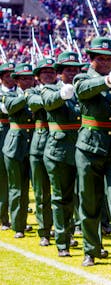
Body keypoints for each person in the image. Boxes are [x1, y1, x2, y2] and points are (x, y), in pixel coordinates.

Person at [73, 36, 111, 269]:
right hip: (89, 147)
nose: (106, 62)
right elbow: (83, 90)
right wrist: (106, 81)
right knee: (90, 202)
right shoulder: (82, 77)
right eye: (101, 59)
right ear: (91, 60)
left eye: (110, 59)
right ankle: (91, 249)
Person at [42, 51, 84, 257]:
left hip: (83, 148)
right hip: (59, 151)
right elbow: (49, 101)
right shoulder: (50, 88)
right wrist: (61, 94)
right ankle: (62, 241)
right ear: (60, 73)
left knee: (84, 197)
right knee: (61, 198)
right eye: (69, 70)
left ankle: (84, 238)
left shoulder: (83, 88)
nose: (73, 72)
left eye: (76, 69)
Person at [26, 58, 57, 246]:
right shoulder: (32, 92)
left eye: (51, 72)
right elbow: (40, 102)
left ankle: (64, 230)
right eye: (44, 72)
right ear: (37, 77)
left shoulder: (64, 89)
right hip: (39, 145)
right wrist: (59, 96)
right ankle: (44, 231)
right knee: (42, 192)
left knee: (63, 193)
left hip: (59, 146)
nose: (48, 75)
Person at [1, 63, 35, 239]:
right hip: (15, 145)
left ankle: (43, 225)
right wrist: (28, 96)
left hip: (34, 144)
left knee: (36, 188)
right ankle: (18, 225)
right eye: (23, 78)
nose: (28, 81)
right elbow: (11, 107)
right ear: (17, 80)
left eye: (30, 78)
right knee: (17, 188)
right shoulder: (9, 95)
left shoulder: (38, 93)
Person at [0, 62, 15, 231]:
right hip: (2, 134)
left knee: (16, 179)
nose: (10, 79)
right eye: (7, 76)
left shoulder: (20, 92)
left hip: (18, 136)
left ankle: (17, 216)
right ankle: (3, 217)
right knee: (3, 178)